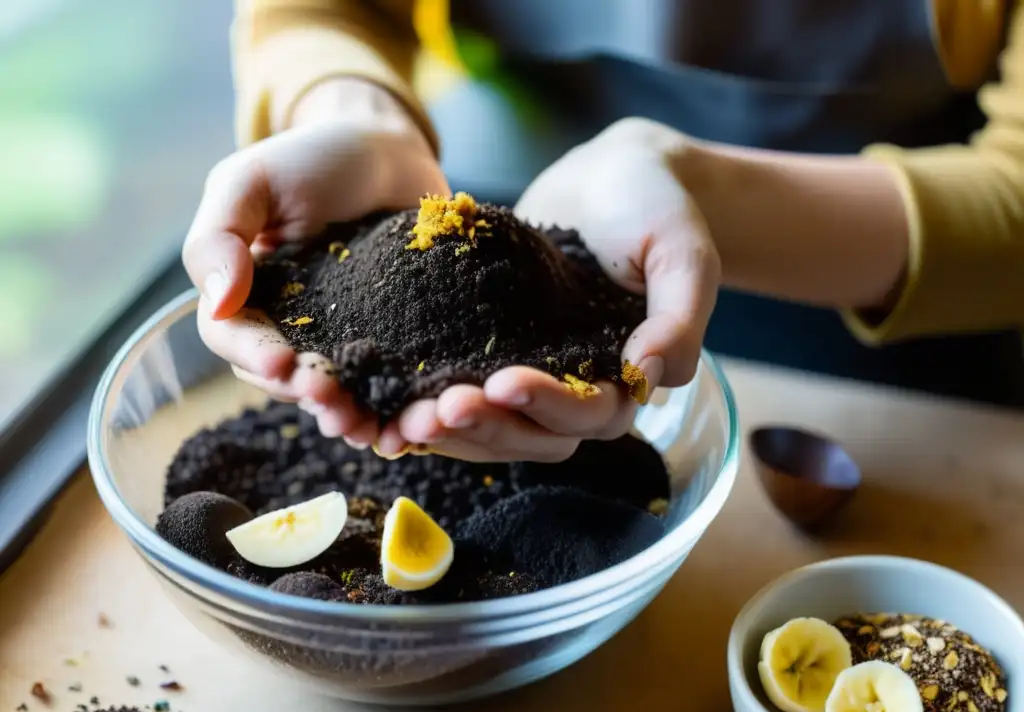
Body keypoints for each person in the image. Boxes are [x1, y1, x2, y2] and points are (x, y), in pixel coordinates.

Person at [183, 0, 1024, 463]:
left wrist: (706, 191)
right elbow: (322, 11)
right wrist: (353, 111)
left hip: (880, 264)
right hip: (526, 179)